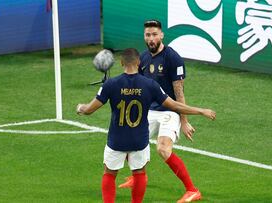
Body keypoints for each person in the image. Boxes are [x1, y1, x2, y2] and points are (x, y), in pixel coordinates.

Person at [76, 48, 216, 203]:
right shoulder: (150, 85)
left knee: (109, 173)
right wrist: (201, 111)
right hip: (139, 140)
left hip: (117, 140)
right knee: (139, 173)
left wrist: (80, 108)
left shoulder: (111, 84)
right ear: (139, 63)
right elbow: (175, 105)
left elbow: (89, 110)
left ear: (122, 63)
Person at [118, 20, 205, 203]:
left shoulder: (172, 58)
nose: (151, 38)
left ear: (162, 35)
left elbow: (179, 93)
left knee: (163, 149)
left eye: (154, 34)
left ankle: (192, 190)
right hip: (149, 110)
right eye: (148, 35)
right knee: (127, 141)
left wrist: (184, 121)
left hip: (169, 111)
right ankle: (139, 177)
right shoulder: (143, 58)